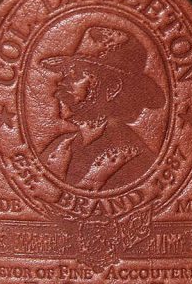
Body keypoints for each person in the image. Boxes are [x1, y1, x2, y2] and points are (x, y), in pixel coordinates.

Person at [39, 26, 165, 191]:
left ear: (112, 88)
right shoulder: (58, 148)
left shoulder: (137, 160)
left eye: (76, 74)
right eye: (66, 74)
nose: (61, 83)